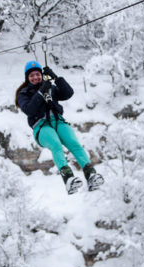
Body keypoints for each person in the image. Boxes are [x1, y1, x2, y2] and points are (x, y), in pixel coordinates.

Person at [15, 61, 104, 194]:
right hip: (41, 126)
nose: (35, 77)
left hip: (58, 121)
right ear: (27, 78)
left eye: (38, 75)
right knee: (56, 145)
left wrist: (56, 78)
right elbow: (29, 110)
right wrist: (40, 92)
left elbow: (68, 93)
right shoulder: (24, 93)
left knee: (74, 144)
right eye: (32, 75)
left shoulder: (49, 87)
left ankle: (90, 174)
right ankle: (68, 177)